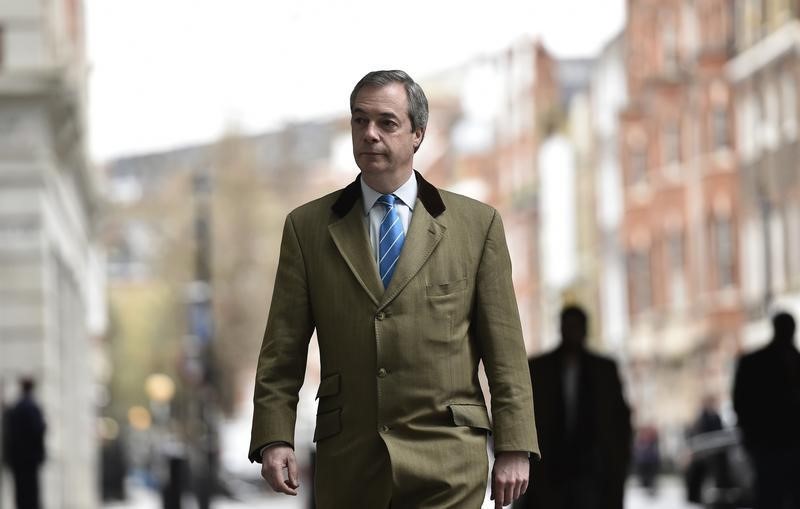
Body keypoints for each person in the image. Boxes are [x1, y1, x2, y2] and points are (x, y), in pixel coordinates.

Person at [248, 70, 539, 508]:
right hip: (350, 463)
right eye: (359, 121)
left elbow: (506, 353)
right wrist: (274, 436)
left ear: (418, 134)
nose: (370, 134)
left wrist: (514, 445)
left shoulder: (477, 227)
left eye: (387, 122)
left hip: (449, 459)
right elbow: (281, 351)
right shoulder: (307, 229)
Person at [517, 305, 631, 509]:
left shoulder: (604, 370)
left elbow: (620, 422)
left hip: (593, 473)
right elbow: (522, 417)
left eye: (576, 327)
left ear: (584, 330)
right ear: (560, 329)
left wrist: (617, 468)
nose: (572, 332)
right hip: (549, 472)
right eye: (568, 326)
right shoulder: (538, 369)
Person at [733, 311, 800, 509]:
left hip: (768, 444)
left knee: (770, 493)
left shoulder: (753, 363)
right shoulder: (759, 363)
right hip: (771, 444)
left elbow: (741, 402)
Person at [3, 378, 47, 509]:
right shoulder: (32, 407)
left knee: (21, 493)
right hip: (30, 459)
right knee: (31, 493)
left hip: (18, 459)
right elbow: (38, 430)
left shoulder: (15, 408)